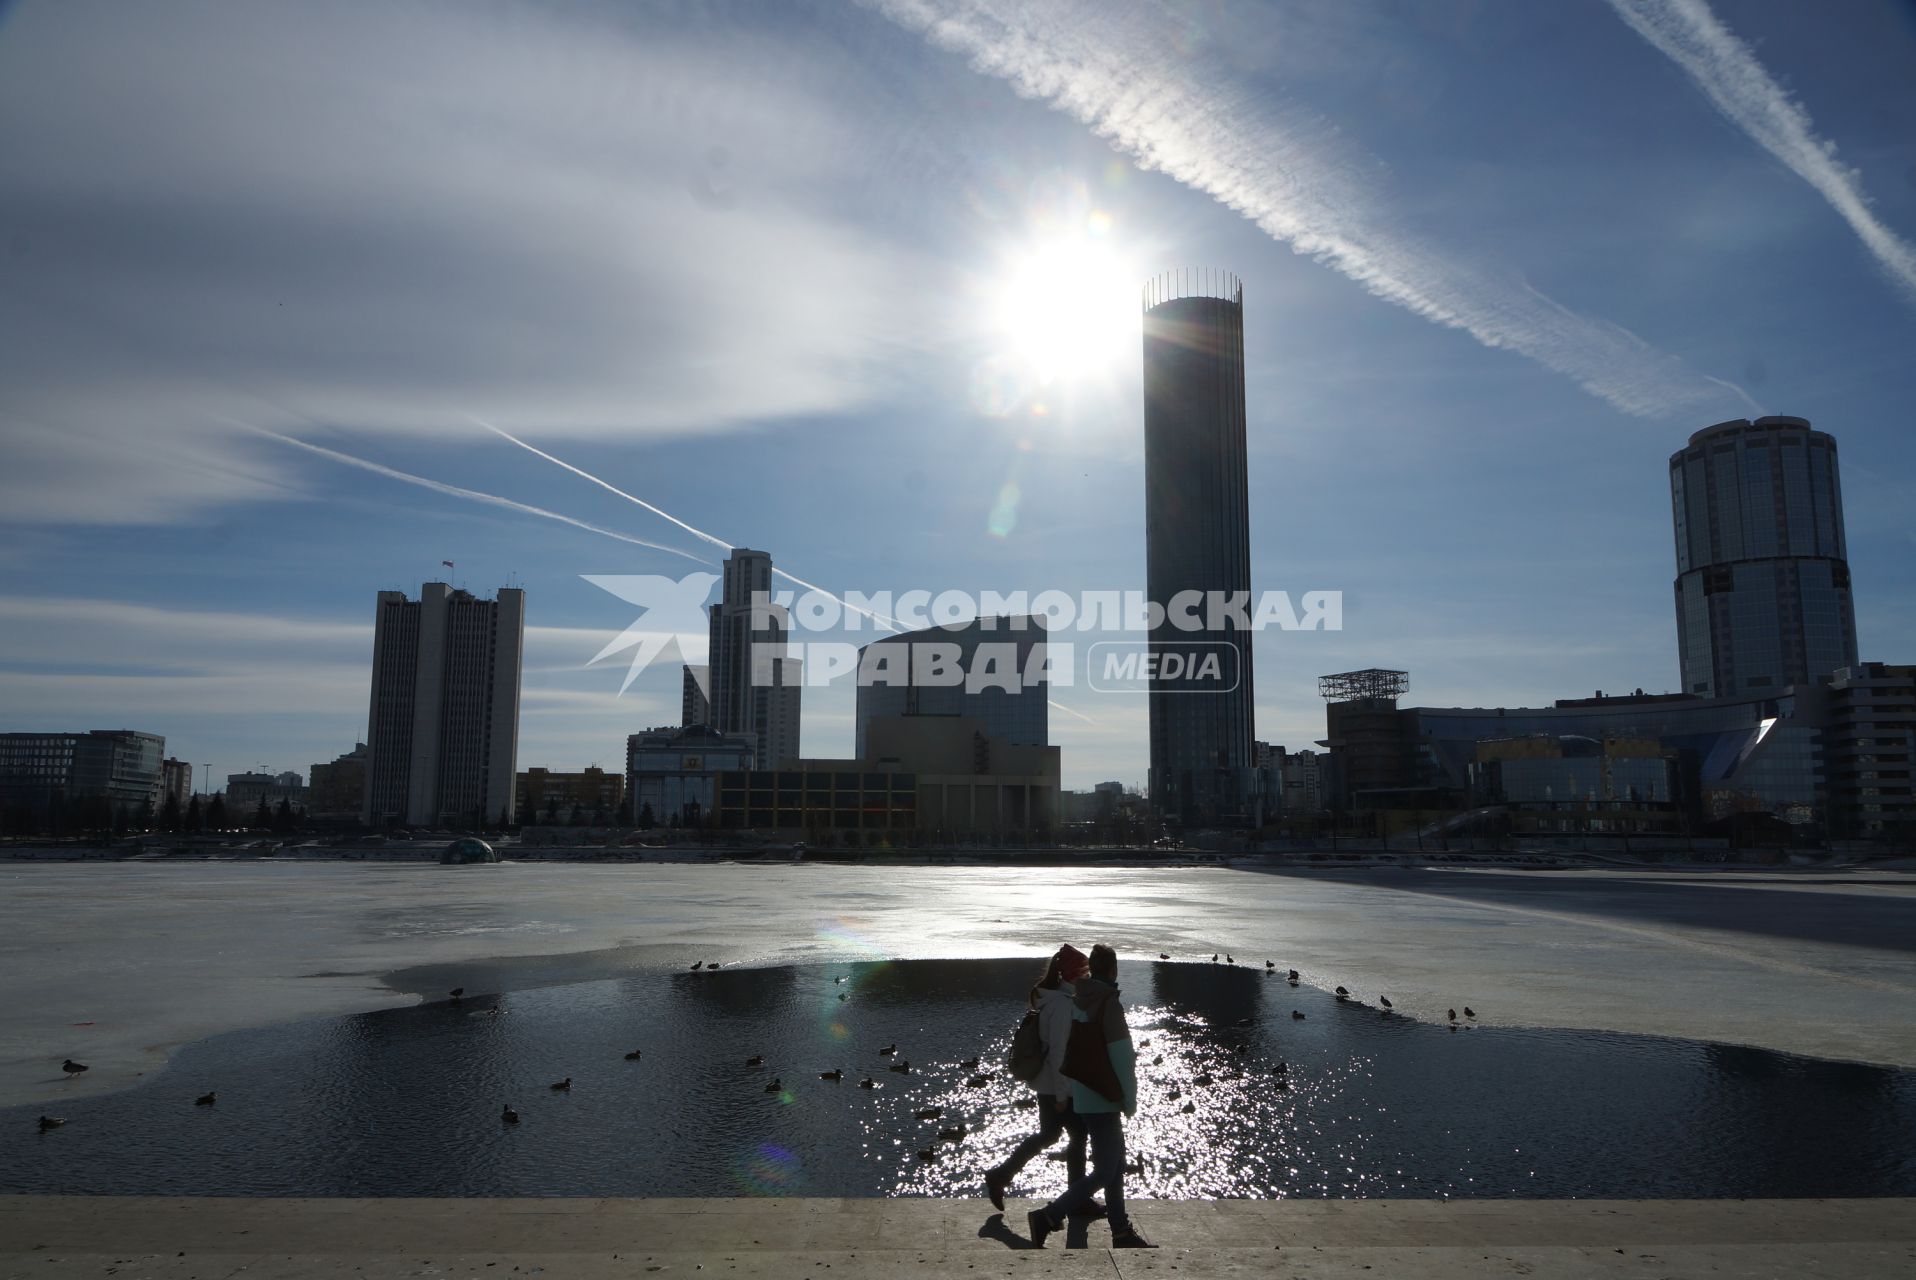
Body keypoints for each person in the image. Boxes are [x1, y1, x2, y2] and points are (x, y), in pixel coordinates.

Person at [1027, 943, 1156, 1249]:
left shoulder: (1077, 999)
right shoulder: (1108, 1002)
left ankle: (1121, 1231)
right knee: (1106, 1170)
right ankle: (1048, 1216)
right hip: (1105, 1096)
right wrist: (1129, 1099)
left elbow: (1070, 1050)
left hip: (1083, 1096)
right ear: (1113, 970)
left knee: (1114, 1167)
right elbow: (1122, 1056)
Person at [983, 945, 1097, 1215]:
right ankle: (1076, 1199)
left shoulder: (1054, 998)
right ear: (1073, 976)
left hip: (1050, 1083)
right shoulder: (1061, 1006)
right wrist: (1061, 1096)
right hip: (1057, 1086)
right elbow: (1058, 1052)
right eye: (1085, 973)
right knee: (1077, 1136)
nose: (1088, 978)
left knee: (1052, 1135)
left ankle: (1001, 1175)